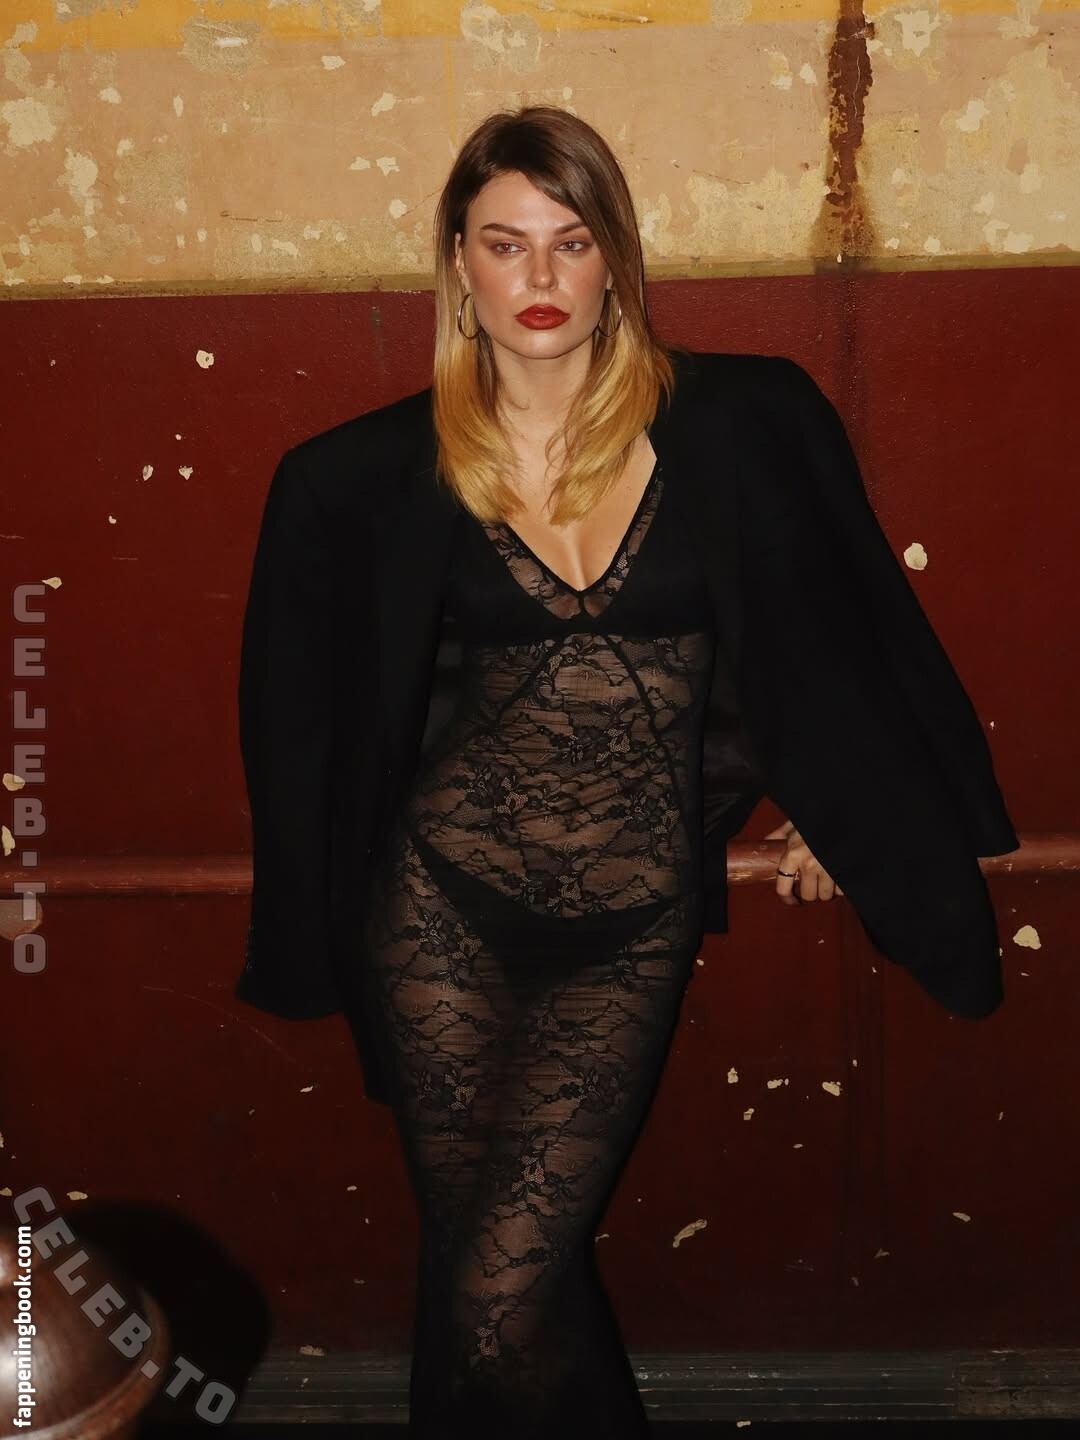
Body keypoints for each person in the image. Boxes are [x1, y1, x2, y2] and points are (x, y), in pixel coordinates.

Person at [236, 106, 1017, 1438]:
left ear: (616, 258)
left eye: (572, 241)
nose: (540, 278)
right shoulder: (359, 476)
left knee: (498, 1290)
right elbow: (300, 724)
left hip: (627, 925)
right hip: (438, 912)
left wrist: (838, 802)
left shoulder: (748, 420)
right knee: (487, 1282)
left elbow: (847, 629)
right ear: (459, 263)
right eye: (505, 245)